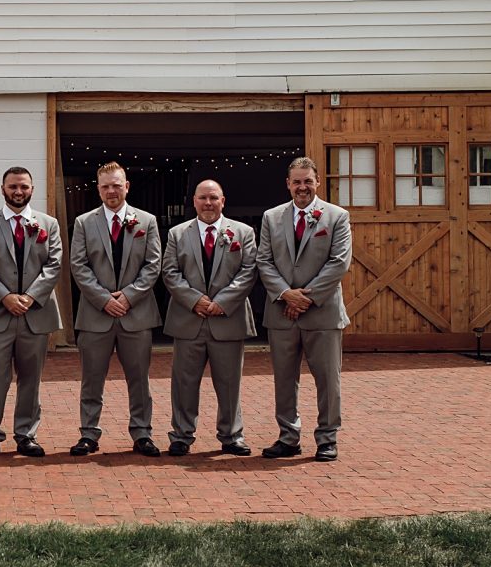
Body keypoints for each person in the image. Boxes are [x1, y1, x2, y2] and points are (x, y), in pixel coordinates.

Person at [256, 156, 352, 462]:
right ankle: (288, 437)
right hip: (282, 313)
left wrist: (304, 299)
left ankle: (327, 438)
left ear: (317, 182)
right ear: (288, 183)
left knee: (327, 379)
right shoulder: (271, 217)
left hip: (322, 312)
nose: (302, 187)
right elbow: (264, 261)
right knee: (284, 379)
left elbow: (339, 262)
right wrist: (286, 294)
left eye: (307, 181)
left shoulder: (337, 217)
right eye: (296, 181)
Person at [67, 162, 162, 457]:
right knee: (92, 379)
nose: (111, 191)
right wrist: (104, 299)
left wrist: (129, 296)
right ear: (98, 189)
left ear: (127, 186)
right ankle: (88, 434)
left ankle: (142, 433)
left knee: (140, 379)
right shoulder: (84, 222)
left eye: (116, 185)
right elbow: (78, 265)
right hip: (96, 314)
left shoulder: (146, 221)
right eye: (106, 186)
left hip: (136, 314)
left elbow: (153, 264)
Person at [160, 179, 258, 456]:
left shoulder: (243, 232)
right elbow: (169, 272)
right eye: (203, 198)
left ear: (223, 201)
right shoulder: (178, 234)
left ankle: (231, 435)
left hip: (228, 319)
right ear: (194, 201)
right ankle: (181, 435)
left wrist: (222, 302)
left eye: (213, 198)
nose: (208, 203)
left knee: (229, 384)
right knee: (184, 383)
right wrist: (195, 300)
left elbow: (249, 271)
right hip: (188, 319)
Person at [0, 166, 62, 458]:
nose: (18, 192)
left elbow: (54, 264)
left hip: (35, 315)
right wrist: (6, 296)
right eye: (13, 186)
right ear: (2, 189)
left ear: (32, 189)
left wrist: (31, 297)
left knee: (30, 379)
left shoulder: (49, 223)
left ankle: (26, 435)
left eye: (23, 186)